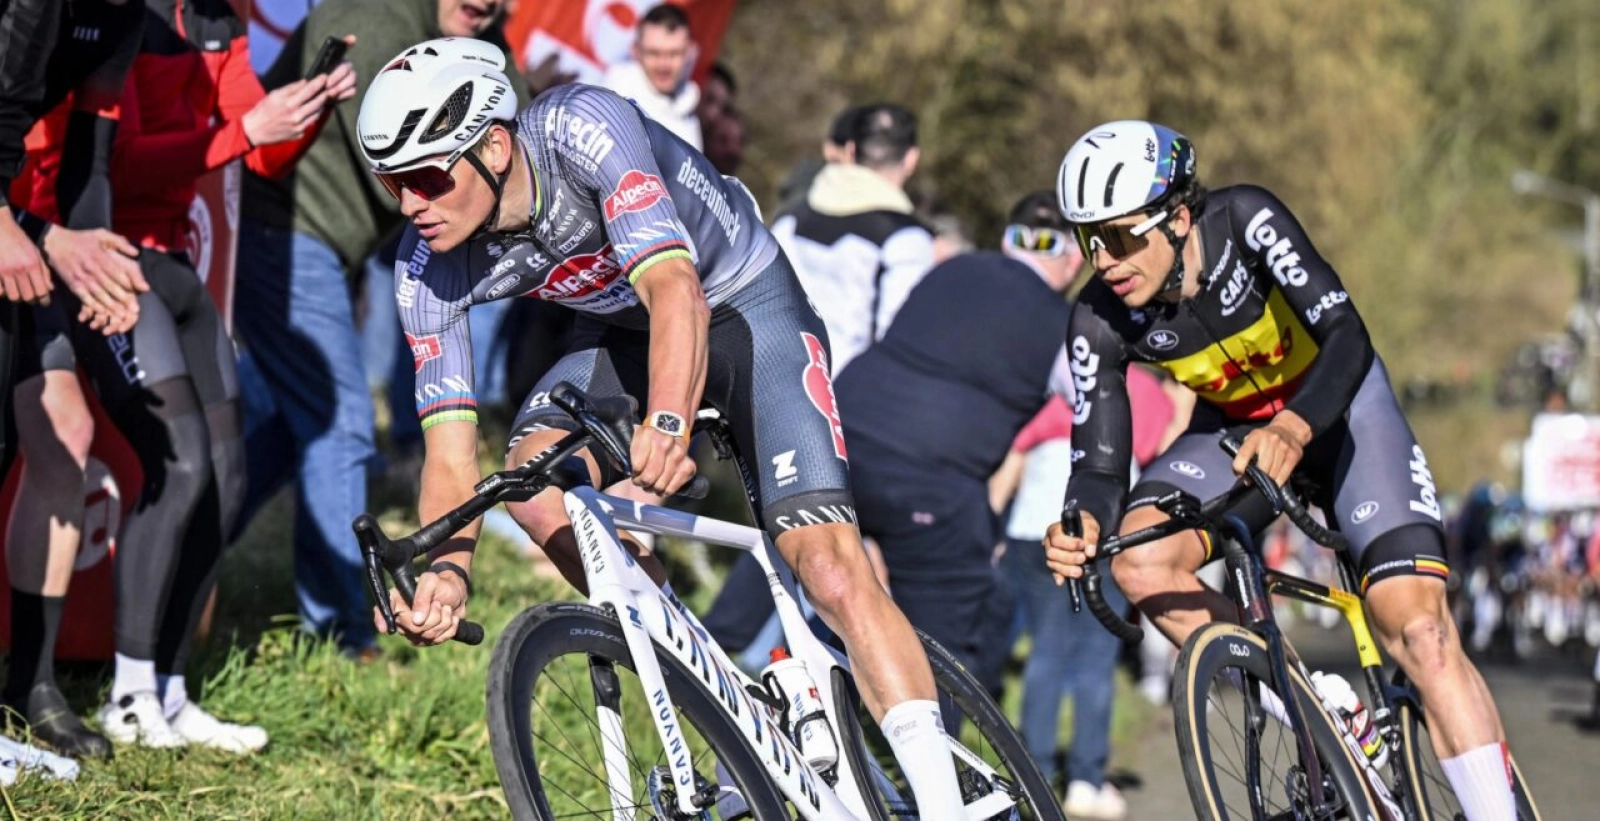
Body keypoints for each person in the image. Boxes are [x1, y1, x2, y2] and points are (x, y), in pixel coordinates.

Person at [357, 38, 969, 816]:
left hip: (743, 305)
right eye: (391, 182)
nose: (409, 203)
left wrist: (669, 424)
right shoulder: (425, 272)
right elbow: (450, 455)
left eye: (425, 177)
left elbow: (677, 288)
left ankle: (943, 799)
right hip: (623, 333)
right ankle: (719, 688)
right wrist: (450, 572)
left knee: (829, 569)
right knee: (532, 486)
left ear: (496, 147)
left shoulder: (582, 127)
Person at [1043, 120, 1519, 821]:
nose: (1103, 260)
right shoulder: (1098, 317)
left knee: (1418, 629)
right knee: (1140, 561)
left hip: (1342, 413)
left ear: (1178, 217)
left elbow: (1347, 336)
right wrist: (1081, 520)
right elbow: (1100, 462)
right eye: (1089, 241)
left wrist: (1295, 425)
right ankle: (1319, 710)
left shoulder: (1246, 220)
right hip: (1235, 433)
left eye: (1118, 237)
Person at [232, 0, 525, 657]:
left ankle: (183, 565)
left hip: (332, 247)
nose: (486, 4)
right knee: (340, 423)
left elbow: (524, 142)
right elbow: (405, 166)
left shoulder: (481, 42)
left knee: (289, 428)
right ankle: (346, 634)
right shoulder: (380, 17)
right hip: (279, 229)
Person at [832, 192, 1078, 684]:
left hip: (840, 436)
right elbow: (1091, 402)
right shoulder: (1064, 323)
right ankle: (930, 729)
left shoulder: (951, 271)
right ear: (1074, 259)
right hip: (932, 479)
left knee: (818, 587)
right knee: (944, 651)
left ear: (1007, 242)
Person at [2, 0, 154, 760]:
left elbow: (88, 164)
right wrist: (37, 236)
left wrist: (89, 259)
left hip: (14, 219)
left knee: (66, 429)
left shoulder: (125, 17)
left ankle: (30, 684)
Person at [992, 364, 1174, 820]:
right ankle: (1087, 781)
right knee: (1096, 657)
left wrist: (993, 523)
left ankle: (1034, 775)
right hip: (1107, 527)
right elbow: (1162, 456)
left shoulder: (1070, 379)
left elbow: (1018, 452)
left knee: (1045, 652)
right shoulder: (1149, 393)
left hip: (1035, 523)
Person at [772, 103, 934, 374]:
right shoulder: (908, 240)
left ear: (850, 150)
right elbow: (900, 341)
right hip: (848, 389)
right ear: (911, 159)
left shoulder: (790, 219)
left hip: (774, 376)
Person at [599, 3, 701, 149]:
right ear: (635, 50)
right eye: (654, 53)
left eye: (674, 54)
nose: (664, 65)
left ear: (691, 52)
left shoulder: (690, 114)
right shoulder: (615, 93)